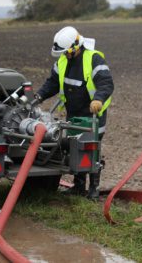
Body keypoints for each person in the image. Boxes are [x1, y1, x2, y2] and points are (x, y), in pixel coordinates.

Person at [35, 26, 114, 200]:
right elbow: (52, 83)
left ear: (75, 47)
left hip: (93, 114)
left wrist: (98, 99)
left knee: (92, 149)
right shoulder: (63, 61)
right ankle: (78, 186)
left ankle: (93, 189)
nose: (64, 55)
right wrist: (39, 95)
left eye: (66, 52)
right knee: (74, 147)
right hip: (74, 113)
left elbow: (106, 83)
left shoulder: (93, 59)